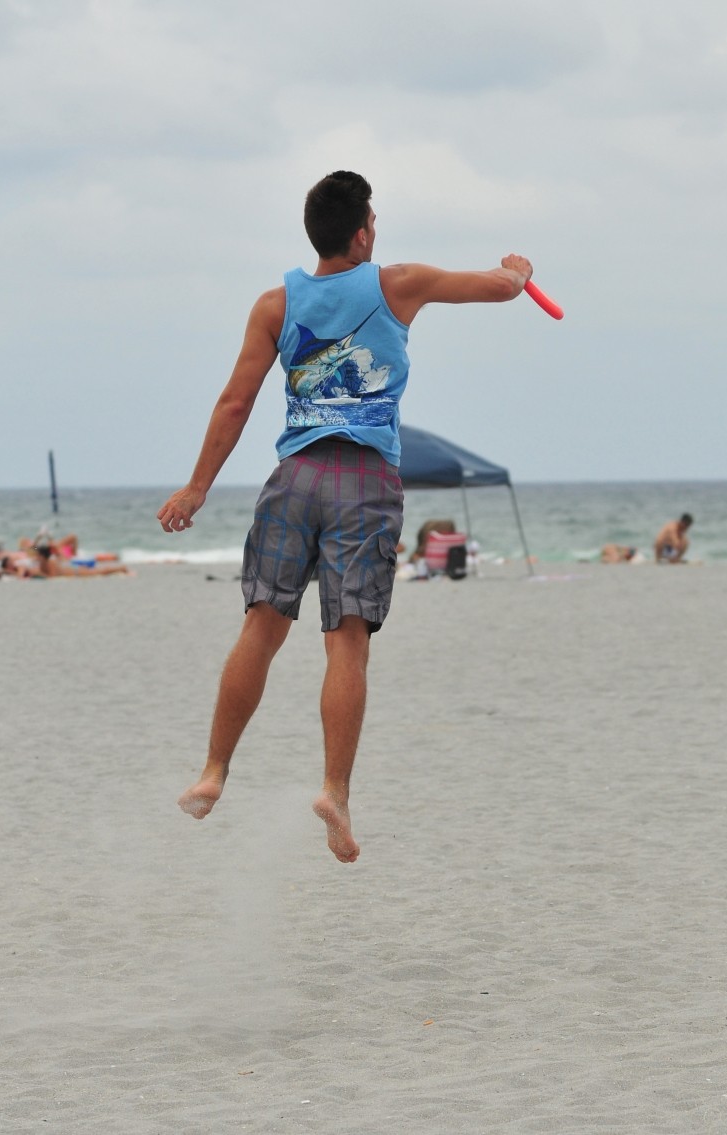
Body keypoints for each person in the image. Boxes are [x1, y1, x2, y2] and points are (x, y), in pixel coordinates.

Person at [157, 170, 534, 863]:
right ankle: (334, 789)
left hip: (295, 477)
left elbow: (235, 402)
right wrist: (516, 270)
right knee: (347, 639)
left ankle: (213, 770)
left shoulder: (277, 303)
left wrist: (196, 487)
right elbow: (497, 287)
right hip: (363, 480)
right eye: (374, 221)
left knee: (262, 625)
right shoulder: (399, 282)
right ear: (362, 231)